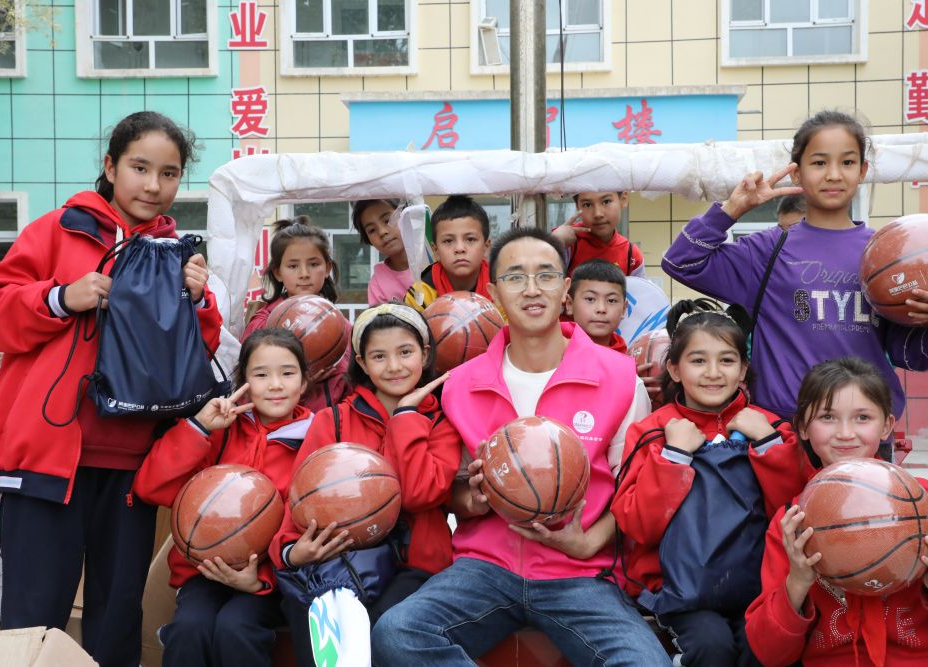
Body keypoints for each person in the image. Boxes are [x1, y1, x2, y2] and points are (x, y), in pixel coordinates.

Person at [372, 227, 671, 666]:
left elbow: (633, 487)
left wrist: (588, 542)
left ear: (565, 289)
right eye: (515, 277)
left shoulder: (619, 377)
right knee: (397, 633)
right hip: (484, 569)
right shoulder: (462, 384)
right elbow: (453, 492)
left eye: (545, 275)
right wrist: (472, 499)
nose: (531, 289)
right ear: (494, 292)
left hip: (579, 573)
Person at [0, 110, 222, 667]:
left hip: (133, 469)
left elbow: (199, 354)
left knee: (116, 621)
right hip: (45, 463)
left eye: (169, 173)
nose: (153, 185)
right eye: (140, 167)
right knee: (30, 622)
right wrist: (58, 298)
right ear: (110, 166)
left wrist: (198, 301)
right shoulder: (59, 230)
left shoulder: (177, 253)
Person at [661, 110, 928, 437]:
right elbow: (682, 262)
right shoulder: (767, 250)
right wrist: (731, 210)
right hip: (782, 431)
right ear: (797, 173)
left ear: (862, 171)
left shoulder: (887, 254)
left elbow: (909, 354)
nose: (833, 174)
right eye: (819, 163)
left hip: (862, 433)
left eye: (847, 162)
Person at [745, 356, 928, 666]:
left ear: (887, 425)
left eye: (862, 417)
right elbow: (769, 654)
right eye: (827, 417)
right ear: (803, 427)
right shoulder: (793, 521)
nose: (845, 433)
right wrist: (796, 583)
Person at [611, 298, 807, 667]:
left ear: (743, 368)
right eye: (698, 360)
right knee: (711, 648)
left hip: (759, 585)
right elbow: (637, 525)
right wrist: (674, 457)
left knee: (761, 647)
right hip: (680, 591)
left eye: (727, 360)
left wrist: (768, 445)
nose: (713, 373)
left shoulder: (771, 427)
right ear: (674, 368)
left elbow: (794, 510)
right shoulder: (652, 432)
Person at [270, 302, 461, 666]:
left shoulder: (441, 422)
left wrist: (405, 416)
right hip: (344, 559)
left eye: (405, 352)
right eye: (379, 356)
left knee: (381, 629)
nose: (394, 366)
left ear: (424, 354)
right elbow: (302, 495)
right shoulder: (333, 420)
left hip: (417, 566)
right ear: (362, 361)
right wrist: (291, 549)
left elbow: (420, 494)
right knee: (317, 616)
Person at [133, 328, 314, 667]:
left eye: (287, 373)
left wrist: (260, 580)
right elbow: (150, 487)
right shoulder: (222, 430)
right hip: (205, 571)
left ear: (304, 382)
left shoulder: (315, 439)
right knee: (189, 629)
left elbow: (304, 524)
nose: (275, 385)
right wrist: (199, 427)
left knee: (236, 629)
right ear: (242, 380)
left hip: (273, 579)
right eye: (261, 374)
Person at [243, 216, 352, 411]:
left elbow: (352, 381)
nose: (304, 274)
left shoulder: (341, 325)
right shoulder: (263, 323)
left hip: (332, 419)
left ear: (327, 268)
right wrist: (299, 380)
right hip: (278, 421)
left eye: (314, 264)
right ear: (278, 272)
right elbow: (247, 380)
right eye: (293, 266)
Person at [403, 195, 492, 311]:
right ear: (436, 251)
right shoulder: (420, 294)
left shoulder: (500, 288)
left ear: (486, 247)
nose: (459, 248)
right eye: (448, 241)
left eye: (470, 239)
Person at [551, 191, 645, 277]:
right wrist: (555, 243)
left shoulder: (631, 254)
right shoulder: (567, 243)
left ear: (623, 199)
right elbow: (545, 280)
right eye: (587, 205)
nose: (597, 214)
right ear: (577, 207)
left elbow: (640, 290)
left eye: (606, 202)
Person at [352, 199, 413, 305]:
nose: (382, 232)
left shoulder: (435, 261)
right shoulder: (378, 284)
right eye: (372, 230)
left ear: (406, 216)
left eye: (387, 220)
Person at [565, 258, 629, 352]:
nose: (601, 309)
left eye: (611, 301)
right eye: (590, 299)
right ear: (570, 304)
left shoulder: (628, 358)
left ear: (623, 309)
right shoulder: (553, 352)